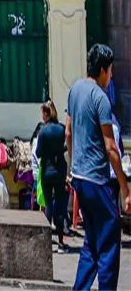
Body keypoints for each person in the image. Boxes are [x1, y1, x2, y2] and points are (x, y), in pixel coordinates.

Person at [67, 44, 131, 291]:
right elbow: (111, 148)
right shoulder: (100, 98)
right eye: (111, 70)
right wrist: (125, 189)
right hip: (97, 180)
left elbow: (68, 133)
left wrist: (73, 167)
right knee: (110, 238)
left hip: (80, 177)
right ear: (103, 70)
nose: (111, 76)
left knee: (92, 241)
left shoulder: (74, 90)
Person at [34, 100, 67, 251]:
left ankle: (46, 243)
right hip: (60, 170)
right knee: (59, 205)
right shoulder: (61, 129)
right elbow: (67, 145)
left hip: (47, 170)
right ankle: (61, 242)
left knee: (48, 205)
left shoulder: (43, 131)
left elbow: (38, 152)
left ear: (45, 114)